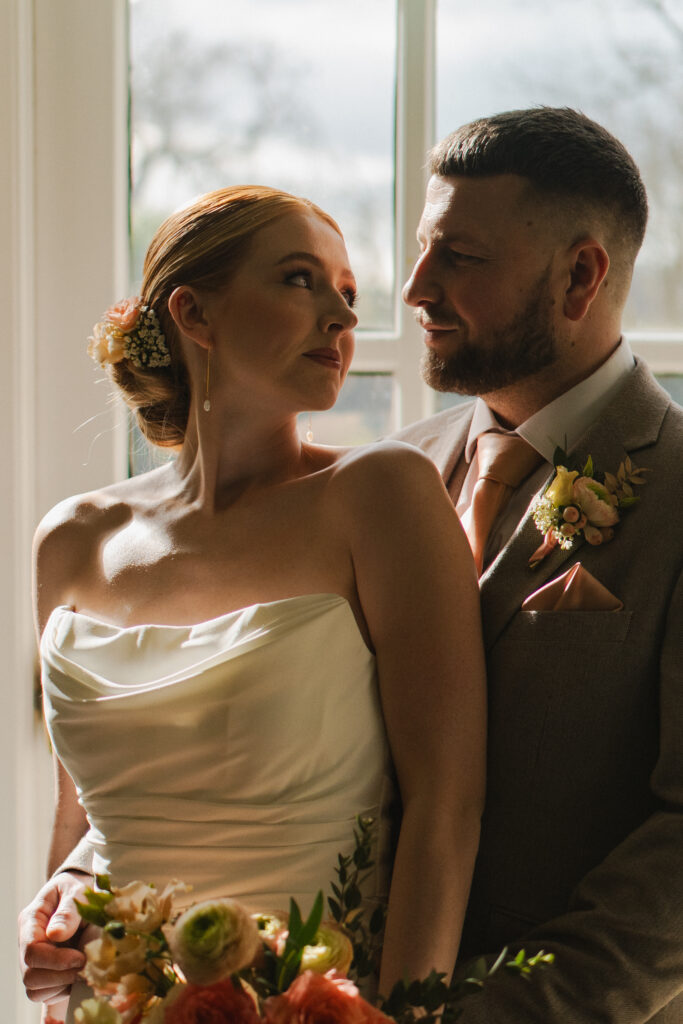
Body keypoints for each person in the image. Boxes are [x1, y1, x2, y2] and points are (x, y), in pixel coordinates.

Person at [19, 185, 487, 1023]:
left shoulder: (379, 495)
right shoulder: (73, 539)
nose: (341, 319)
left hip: (324, 1004)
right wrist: (56, 914)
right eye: (301, 280)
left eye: (347, 294)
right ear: (194, 313)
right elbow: (83, 818)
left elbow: (444, 809)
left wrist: (403, 1016)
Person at [395, 107, 683, 1021]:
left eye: (460, 258)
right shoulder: (387, 480)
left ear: (580, 275)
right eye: (420, 249)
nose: (414, 288)